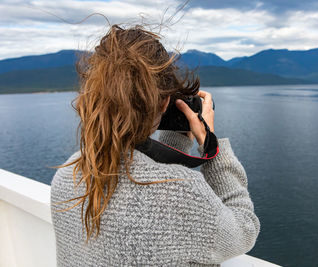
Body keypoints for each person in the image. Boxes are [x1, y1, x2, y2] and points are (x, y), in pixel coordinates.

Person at [51, 24, 260, 267]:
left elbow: (143, 178)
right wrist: (210, 144)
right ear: (164, 103)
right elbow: (244, 229)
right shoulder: (183, 192)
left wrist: (177, 140)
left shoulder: (68, 174)